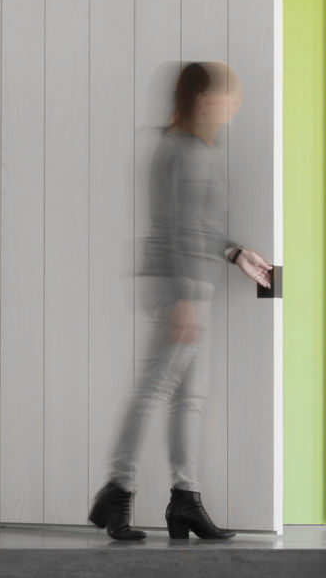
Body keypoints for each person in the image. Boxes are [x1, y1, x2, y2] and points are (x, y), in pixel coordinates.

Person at [88, 59, 272, 542]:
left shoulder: (198, 150)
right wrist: (181, 298)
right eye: (229, 96)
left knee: (188, 399)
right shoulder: (177, 150)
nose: (235, 105)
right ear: (204, 99)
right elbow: (171, 228)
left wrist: (236, 254)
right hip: (181, 291)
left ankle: (184, 502)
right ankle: (118, 493)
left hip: (195, 289)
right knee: (155, 391)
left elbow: (203, 228)